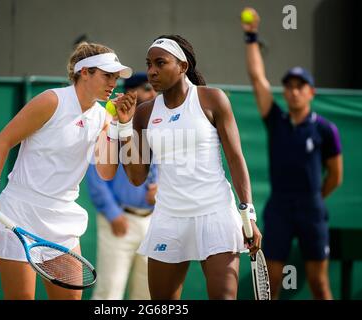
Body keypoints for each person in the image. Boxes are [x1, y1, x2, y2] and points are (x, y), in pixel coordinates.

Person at [0, 41, 133, 300]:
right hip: (19, 213)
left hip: (62, 221)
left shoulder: (103, 118)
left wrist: (119, 125)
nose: (113, 83)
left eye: (115, 78)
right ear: (85, 72)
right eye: (107, 75)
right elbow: (2, 141)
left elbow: (106, 172)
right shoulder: (51, 101)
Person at [115, 35, 262, 300]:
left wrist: (247, 214)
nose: (151, 71)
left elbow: (236, 159)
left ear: (182, 66)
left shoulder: (212, 99)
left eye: (160, 63)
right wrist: (124, 128)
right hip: (168, 218)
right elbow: (137, 177)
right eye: (148, 64)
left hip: (215, 213)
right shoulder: (144, 113)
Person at [241, 8, 343, 300]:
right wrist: (251, 37)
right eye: (289, 87)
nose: (294, 92)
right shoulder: (276, 120)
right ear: (284, 93)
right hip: (279, 210)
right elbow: (258, 77)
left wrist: (315, 198)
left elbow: (335, 175)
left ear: (311, 92)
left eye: (301, 87)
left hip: (312, 210)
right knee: (271, 283)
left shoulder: (326, 129)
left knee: (319, 283)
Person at [86, 72, 158, 300]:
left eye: (155, 88)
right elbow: (96, 174)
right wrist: (113, 214)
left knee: (147, 295)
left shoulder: (158, 124)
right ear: (130, 94)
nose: (153, 92)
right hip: (119, 221)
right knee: (109, 293)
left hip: (154, 223)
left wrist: (162, 190)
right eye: (147, 87)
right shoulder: (112, 121)